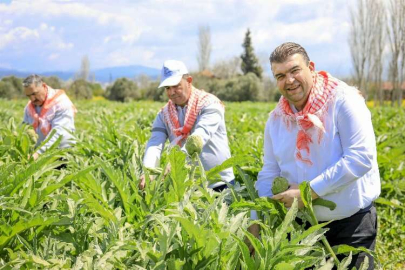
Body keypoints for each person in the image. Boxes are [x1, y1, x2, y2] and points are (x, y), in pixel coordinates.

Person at [251, 42, 380, 269]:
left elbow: (359, 158)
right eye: (280, 75)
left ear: (311, 67)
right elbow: (269, 171)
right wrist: (256, 219)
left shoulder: (344, 101)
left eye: (294, 70)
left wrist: (307, 194)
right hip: (301, 230)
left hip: (351, 226)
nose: (288, 80)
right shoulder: (276, 119)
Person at [140, 60, 234, 191]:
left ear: (189, 81)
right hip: (188, 188)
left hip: (220, 184)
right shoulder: (164, 114)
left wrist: (177, 161)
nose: (172, 92)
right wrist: (148, 169)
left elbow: (200, 136)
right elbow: (155, 144)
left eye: (176, 86)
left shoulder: (210, 104)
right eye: (167, 88)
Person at [23, 74, 76, 160]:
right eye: (28, 96)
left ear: (43, 86)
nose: (32, 99)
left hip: (62, 153)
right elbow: (24, 128)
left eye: (34, 94)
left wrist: (38, 153)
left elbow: (58, 133)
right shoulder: (29, 107)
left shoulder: (60, 103)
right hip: (40, 154)